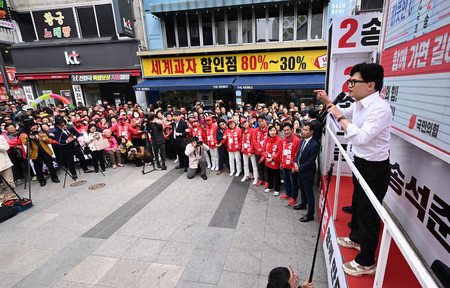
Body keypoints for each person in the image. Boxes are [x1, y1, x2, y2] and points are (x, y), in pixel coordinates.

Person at [315, 62, 391, 276]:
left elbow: (362, 136)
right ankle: (356, 239)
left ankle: (366, 262)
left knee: (368, 214)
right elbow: (343, 112)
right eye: (349, 80)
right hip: (360, 163)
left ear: (371, 85)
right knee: (357, 203)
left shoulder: (380, 108)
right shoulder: (359, 103)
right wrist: (329, 103)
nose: (349, 85)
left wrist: (339, 116)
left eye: (354, 81)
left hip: (374, 168)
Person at [293, 123, 319, 222]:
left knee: (309, 193)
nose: (303, 131)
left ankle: (310, 213)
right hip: (299, 169)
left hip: (307, 172)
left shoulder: (314, 144)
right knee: (302, 189)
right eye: (303, 129)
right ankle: (303, 204)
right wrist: (295, 162)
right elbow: (298, 153)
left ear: (311, 131)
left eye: (306, 130)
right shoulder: (302, 140)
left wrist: (300, 167)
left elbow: (311, 161)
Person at [280, 123, 301, 206]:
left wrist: (294, 166)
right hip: (284, 164)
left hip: (292, 166)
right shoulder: (283, 140)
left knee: (294, 182)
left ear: (292, 130)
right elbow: (281, 151)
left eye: (288, 130)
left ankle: (293, 197)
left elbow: (298, 154)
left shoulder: (297, 140)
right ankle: (288, 193)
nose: (286, 132)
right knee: (286, 180)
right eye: (284, 130)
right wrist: (281, 162)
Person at [262, 125, 282, 196]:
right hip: (268, 161)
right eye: (270, 130)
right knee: (269, 174)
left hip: (275, 162)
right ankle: (270, 186)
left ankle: (277, 189)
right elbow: (263, 149)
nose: (272, 132)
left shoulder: (279, 140)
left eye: (274, 130)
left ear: (276, 131)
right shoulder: (266, 139)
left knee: (276, 176)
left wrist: (273, 159)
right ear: (268, 132)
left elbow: (279, 151)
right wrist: (266, 157)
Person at [0, 135, 19, 202]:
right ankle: (1, 200)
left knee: (9, 182)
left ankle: (13, 197)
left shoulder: (1, 137)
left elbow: (6, 147)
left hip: (4, 164)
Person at [240, 118, 259, 184]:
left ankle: (256, 177)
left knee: (254, 164)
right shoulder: (242, 131)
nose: (245, 124)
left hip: (251, 151)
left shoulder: (252, 130)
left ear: (248, 122)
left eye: (245, 122)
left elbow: (253, 142)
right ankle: (246, 175)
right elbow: (241, 140)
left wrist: (250, 151)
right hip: (244, 150)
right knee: (245, 164)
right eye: (243, 123)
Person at [254, 115, 268, 187]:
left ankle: (267, 180)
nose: (261, 123)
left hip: (266, 153)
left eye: (262, 121)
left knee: (266, 167)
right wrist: (258, 148)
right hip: (258, 152)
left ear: (265, 121)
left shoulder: (269, 129)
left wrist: (263, 150)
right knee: (259, 166)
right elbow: (254, 141)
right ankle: (261, 179)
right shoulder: (256, 130)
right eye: (259, 121)